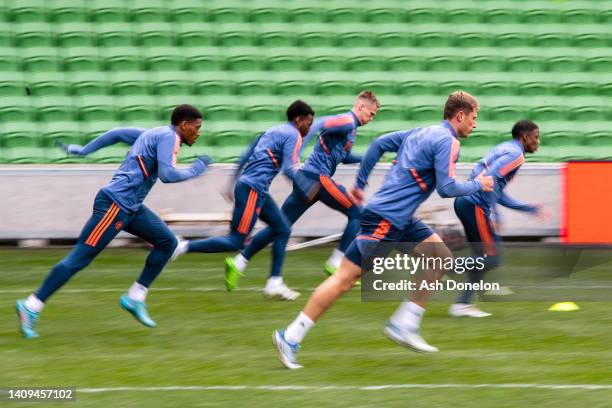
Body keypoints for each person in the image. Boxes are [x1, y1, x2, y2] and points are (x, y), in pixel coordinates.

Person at [272, 91, 495, 369]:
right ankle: (290, 336)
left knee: (439, 257)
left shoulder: (420, 132)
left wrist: (362, 184)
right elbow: (447, 187)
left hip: (399, 218)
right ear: (460, 115)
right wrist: (479, 185)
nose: (475, 124)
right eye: (474, 118)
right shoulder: (448, 141)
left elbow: (378, 144)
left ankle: (405, 323)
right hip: (387, 219)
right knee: (344, 279)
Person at [16, 104, 211, 339]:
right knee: (79, 258)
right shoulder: (169, 138)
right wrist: (196, 170)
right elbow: (167, 175)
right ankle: (31, 305)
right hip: (114, 206)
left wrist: (85, 150)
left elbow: (117, 133)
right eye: (197, 127)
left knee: (167, 242)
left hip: (131, 207)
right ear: (184, 125)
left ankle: (135, 297)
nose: (198, 132)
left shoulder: (156, 134)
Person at [224, 91, 380, 300]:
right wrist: (299, 148)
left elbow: (343, 157)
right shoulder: (346, 121)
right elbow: (319, 124)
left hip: (308, 179)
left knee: (281, 227)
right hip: (318, 178)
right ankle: (336, 262)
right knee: (358, 213)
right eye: (370, 114)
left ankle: (240, 262)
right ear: (360, 107)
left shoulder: (350, 130)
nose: (371, 119)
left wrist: (369, 156)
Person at [171, 100, 314, 296]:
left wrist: (232, 181)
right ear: (299, 120)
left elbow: (247, 153)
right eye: (309, 122)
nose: (310, 128)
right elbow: (289, 169)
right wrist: (307, 187)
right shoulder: (294, 135)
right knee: (235, 241)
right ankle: (182, 245)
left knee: (282, 229)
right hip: (253, 189)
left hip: (254, 188)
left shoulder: (272, 131)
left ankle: (273, 281)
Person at [450, 119, 547, 317]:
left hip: (466, 202)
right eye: (536, 137)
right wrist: (494, 213)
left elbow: (497, 191)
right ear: (525, 137)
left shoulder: (505, 148)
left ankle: (462, 304)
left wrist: (527, 208)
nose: (538, 142)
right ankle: (444, 265)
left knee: (482, 257)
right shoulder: (516, 155)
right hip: (476, 204)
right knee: (492, 258)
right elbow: (490, 179)